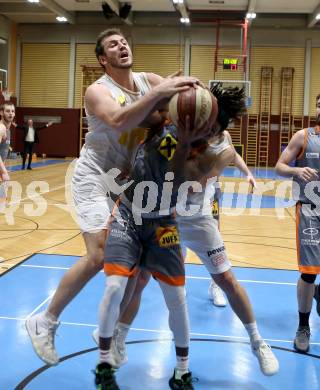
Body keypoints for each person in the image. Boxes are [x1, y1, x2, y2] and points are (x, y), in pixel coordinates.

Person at [25, 28, 200, 366]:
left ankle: (114, 332)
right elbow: (120, 120)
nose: (121, 46)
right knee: (99, 254)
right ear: (103, 59)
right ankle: (44, 322)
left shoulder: (149, 80)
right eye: (112, 45)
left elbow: (174, 108)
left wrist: (195, 97)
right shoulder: (98, 90)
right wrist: (161, 93)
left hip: (128, 183)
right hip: (94, 177)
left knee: (140, 268)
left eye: (123, 41)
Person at [101, 85, 279, 378]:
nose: (205, 129)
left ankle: (258, 342)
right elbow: (143, 132)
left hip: (196, 218)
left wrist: (180, 142)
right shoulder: (176, 125)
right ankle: (119, 336)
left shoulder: (223, 150)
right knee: (141, 278)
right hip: (161, 216)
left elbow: (187, 178)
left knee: (226, 279)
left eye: (210, 126)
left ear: (218, 125)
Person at [95, 108, 211, 390]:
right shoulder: (153, 131)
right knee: (115, 286)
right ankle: (103, 367)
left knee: (177, 297)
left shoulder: (188, 141)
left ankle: (182, 370)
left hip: (163, 221)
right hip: (128, 215)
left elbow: (193, 177)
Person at [275, 93, 320, 353]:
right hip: (310, 209)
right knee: (309, 272)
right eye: (318, 104)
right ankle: (303, 326)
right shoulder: (303, 136)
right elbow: (279, 166)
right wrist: (295, 170)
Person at [208, 134, 257, 307]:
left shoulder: (223, 134)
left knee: (214, 240)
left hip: (210, 192)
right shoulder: (187, 127)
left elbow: (234, 155)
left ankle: (216, 285)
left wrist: (247, 173)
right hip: (185, 191)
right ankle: (179, 282)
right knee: (178, 240)